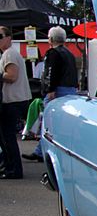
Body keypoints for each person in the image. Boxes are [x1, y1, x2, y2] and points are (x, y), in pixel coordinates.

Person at [23, 26, 77, 163]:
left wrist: (50, 89)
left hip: (57, 90)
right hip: (70, 90)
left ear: (51, 39)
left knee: (48, 123)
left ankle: (42, 151)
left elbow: (50, 72)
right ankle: (40, 150)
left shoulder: (53, 53)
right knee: (62, 124)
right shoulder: (69, 54)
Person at [0, 27, 32, 179]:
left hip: (13, 101)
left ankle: (13, 169)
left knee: (8, 137)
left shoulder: (9, 53)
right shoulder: (9, 54)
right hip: (16, 100)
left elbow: (12, 76)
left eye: (0, 36)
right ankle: (10, 167)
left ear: (9, 37)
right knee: (7, 137)